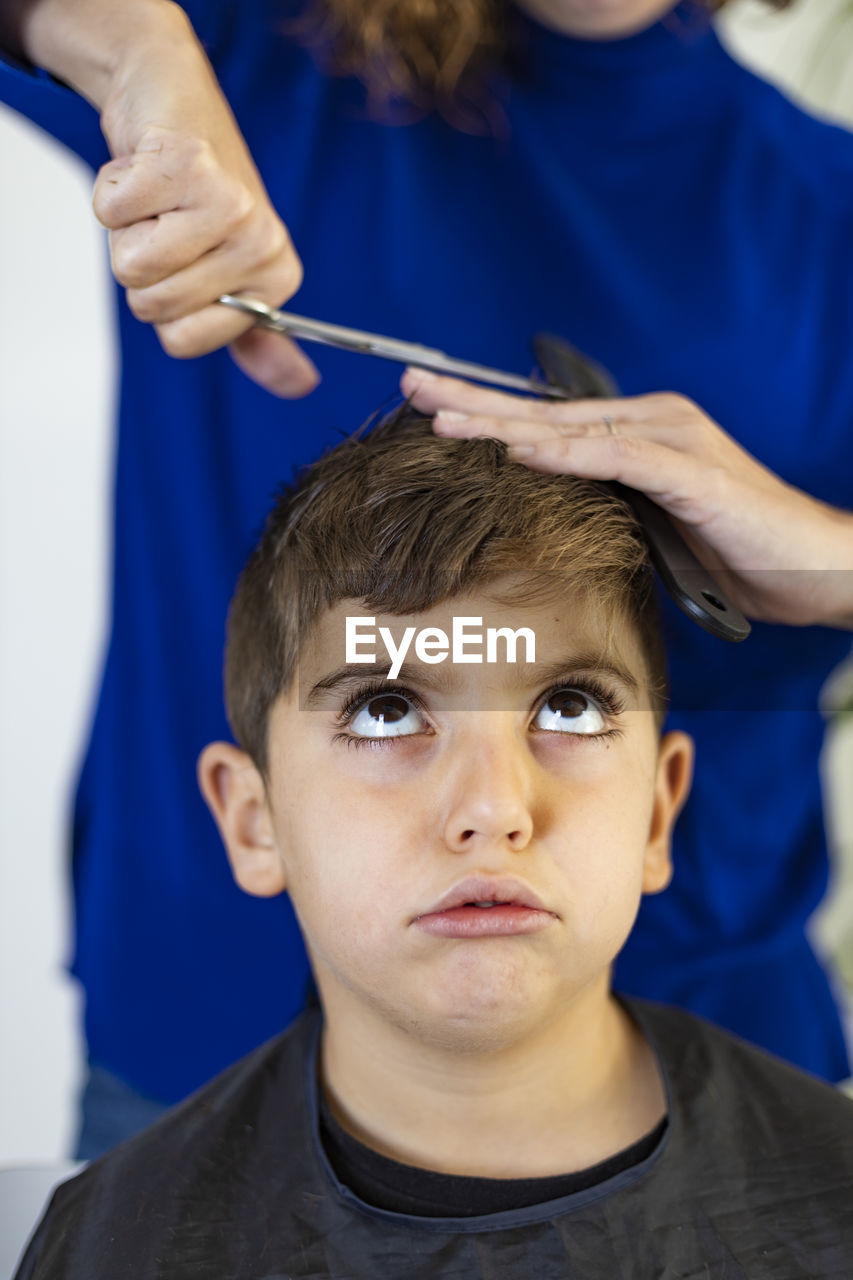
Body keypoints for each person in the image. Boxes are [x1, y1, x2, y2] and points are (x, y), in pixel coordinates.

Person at [1, 0, 852, 1158]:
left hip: (695, 1075)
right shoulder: (254, 53)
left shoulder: (826, 217)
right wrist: (144, 56)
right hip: (208, 1046)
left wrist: (827, 555)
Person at [14, 406, 853, 1279]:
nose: (492, 808)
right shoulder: (114, 1246)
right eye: (387, 711)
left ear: (655, 810)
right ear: (252, 820)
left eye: (568, 707)